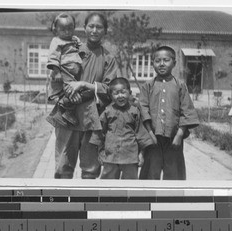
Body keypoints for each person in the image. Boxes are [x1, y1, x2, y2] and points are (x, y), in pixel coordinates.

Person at [50, 12, 119, 179]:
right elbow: (56, 76)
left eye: (99, 27)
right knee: (63, 167)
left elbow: (111, 89)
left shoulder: (109, 58)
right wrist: (67, 92)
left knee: (90, 169)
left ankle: (85, 202)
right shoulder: (70, 48)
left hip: (93, 117)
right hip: (68, 114)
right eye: (91, 26)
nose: (94, 30)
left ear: (105, 31)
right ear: (84, 28)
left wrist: (84, 85)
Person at [139, 46, 200, 180]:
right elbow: (143, 109)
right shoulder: (147, 86)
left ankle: (172, 198)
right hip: (152, 138)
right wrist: (149, 134)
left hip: (174, 138)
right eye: (157, 60)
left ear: (174, 63)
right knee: (151, 171)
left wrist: (179, 135)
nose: (161, 64)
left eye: (166, 60)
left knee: (174, 173)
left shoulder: (180, 85)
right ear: (152, 63)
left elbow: (187, 111)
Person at [89, 77, 154, 179]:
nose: (120, 96)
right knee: (108, 185)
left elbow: (141, 134)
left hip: (130, 157)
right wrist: (101, 152)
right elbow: (99, 134)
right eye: (116, 93)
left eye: (123, 92)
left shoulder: (135, 112)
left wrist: (141, 154)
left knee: (129, 186)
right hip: (110, 156)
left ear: (130, 92)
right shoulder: (107, 112)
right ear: (111, 96)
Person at [46, 12, 93, 126]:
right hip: (65, 70)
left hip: (74, 73)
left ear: (74, 28)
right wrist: (57, 72)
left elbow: (81, 48)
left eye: (70, 29)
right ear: (56, 29)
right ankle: (66, 109)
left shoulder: (74, 39)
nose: (67, 32)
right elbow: (53, 57)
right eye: (63, 29)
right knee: (71, 92)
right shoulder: (56, 41)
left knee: (81, 92)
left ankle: (66, 106)